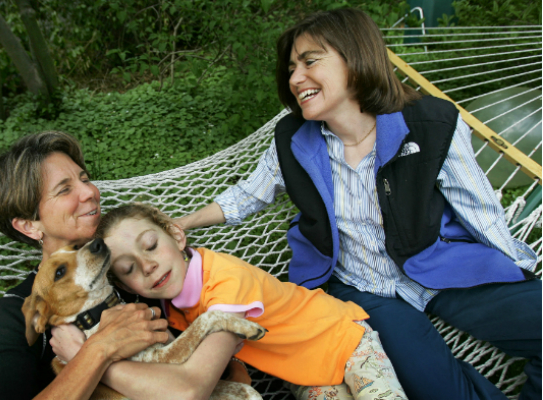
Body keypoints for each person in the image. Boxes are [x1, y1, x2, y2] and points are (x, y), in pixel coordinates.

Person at [175, 8, 542, 400]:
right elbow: (249, 195)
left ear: (355, 57)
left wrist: (517, 269)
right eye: (291, 68)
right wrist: (181, 222)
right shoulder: (294, 139)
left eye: (310, 61)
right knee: (435, 387)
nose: (296, 78)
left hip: (438, 266)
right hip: (362, 289)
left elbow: (480, 210)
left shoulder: (431, 124)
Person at [0, 131, 248, 400]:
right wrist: (99, 349)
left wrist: (233, 367)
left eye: (85, 179)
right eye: (64, 189)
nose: (90, 192)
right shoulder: (16, 313)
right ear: (29, 225)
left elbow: (199, 329)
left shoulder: (132, 266)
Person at [95, 202, 408, 400]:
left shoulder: (226, 281)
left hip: (342, 340)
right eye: (128, 268)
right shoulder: (170, 310)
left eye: (150, 246)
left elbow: (200, 371)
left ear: (177, 236)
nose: (146, 265)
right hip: (301, 372)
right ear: (124, 283)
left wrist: (98, 365)